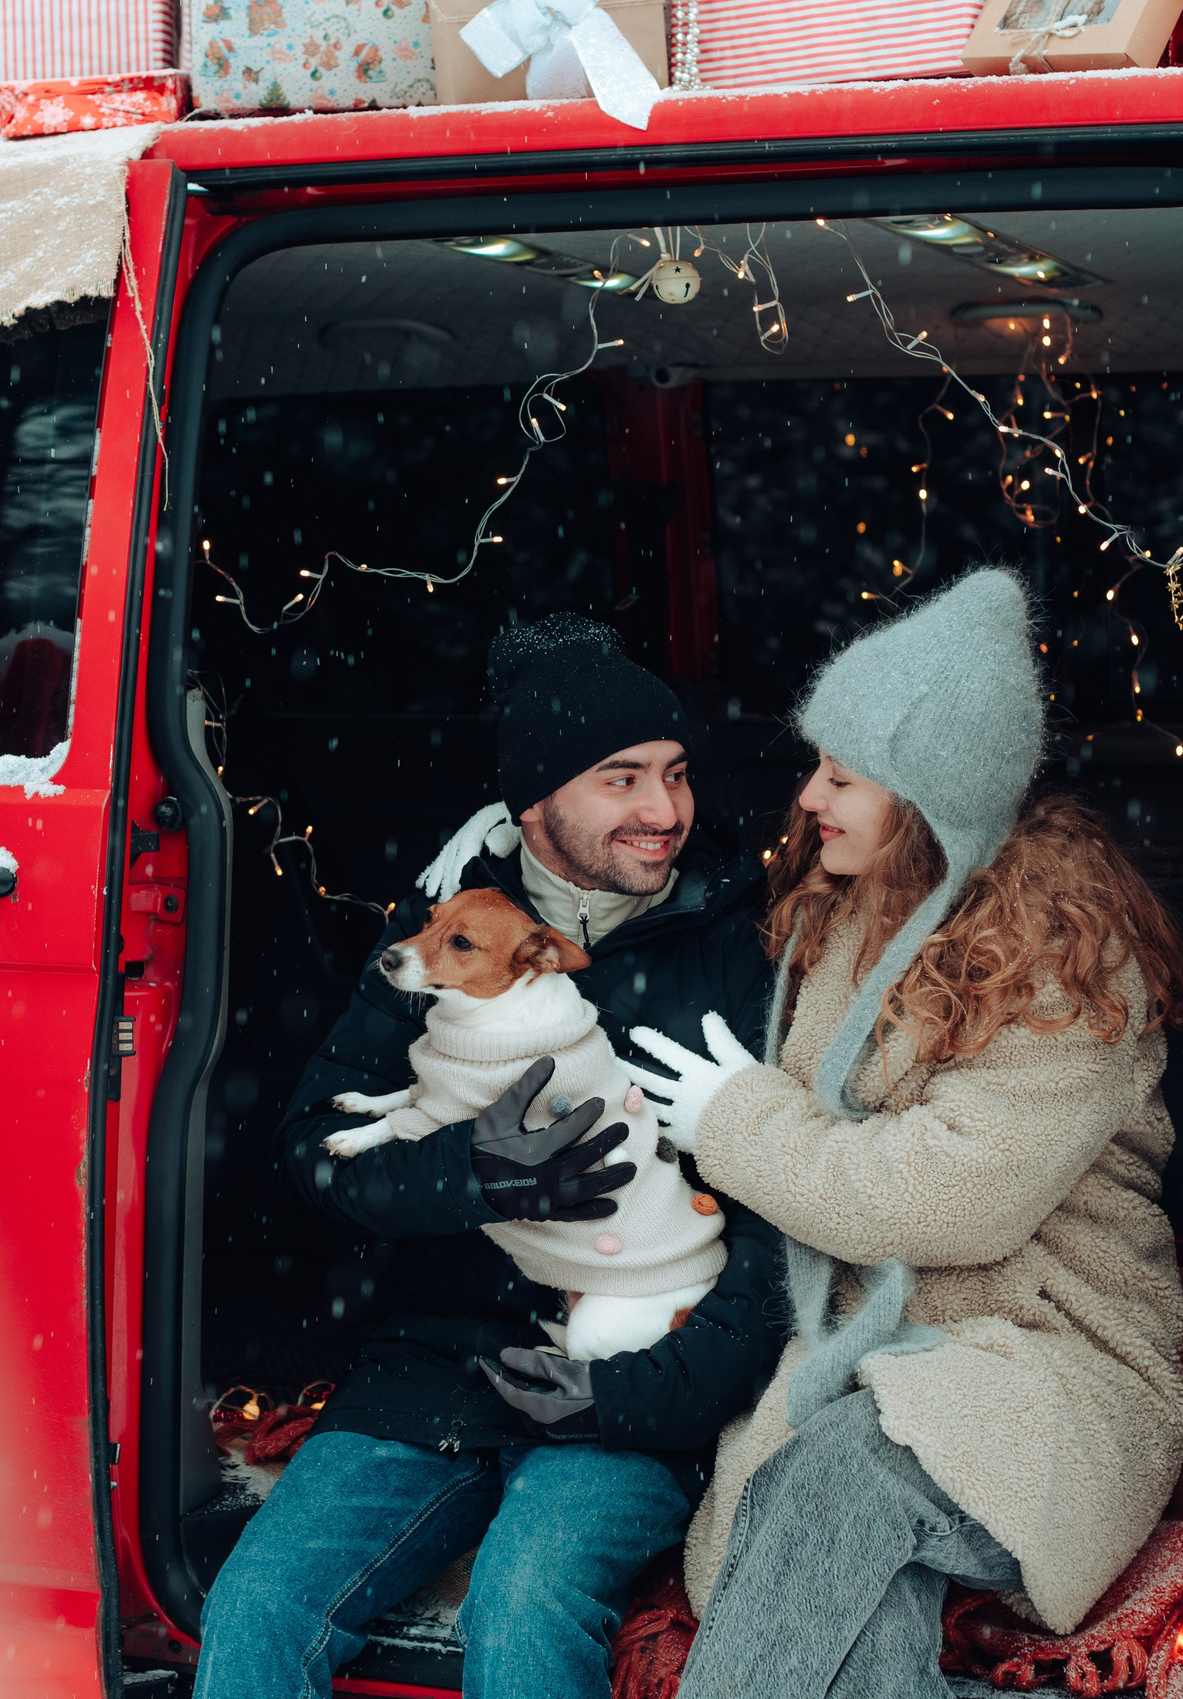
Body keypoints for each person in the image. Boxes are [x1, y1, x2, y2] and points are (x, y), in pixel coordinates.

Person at [619, 569, 1183, 1699]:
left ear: (926, 794)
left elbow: (946, 1198)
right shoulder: (844, 915)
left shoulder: (1062, 965)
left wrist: (737, 1122)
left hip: (1048, 1367)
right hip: (876, 1362)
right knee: (848, 1570)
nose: (809, 796)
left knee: (836, 1481)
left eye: (841, 772)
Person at [192, 614, 785, 1699]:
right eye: (621, 779)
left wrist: (639, 1394)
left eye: (675, 773)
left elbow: (779, 1230)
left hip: (634, 1356)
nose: (664, 812)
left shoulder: (735, 939)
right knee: (257, 1600)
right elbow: (311, 1153)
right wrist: (474, 1173)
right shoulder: (444, 926)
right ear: (534, 805)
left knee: (526, 1595)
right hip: (442, 1359)